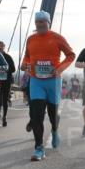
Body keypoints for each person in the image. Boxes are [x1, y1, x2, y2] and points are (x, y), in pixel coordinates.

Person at [21, 11, 75, 161]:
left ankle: (55, 130)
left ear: (48, 23)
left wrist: (59, 69)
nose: (40, 25)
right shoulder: (31, 39)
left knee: (52, 114)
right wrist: (25, 63)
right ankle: (39, 148)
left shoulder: (57, 38)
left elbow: (71, 55)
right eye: (38, 23)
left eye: (43, 22)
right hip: (36, 81)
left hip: (53, 81)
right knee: (36, 115)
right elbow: (27, 55)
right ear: (35, 24)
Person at [0, 41, 16, 126]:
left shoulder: (8, 57)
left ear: (4, 47)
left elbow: (13, 69)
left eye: (2, 46)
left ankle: (4, 116)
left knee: (5, 100)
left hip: (6, 81)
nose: (0, 47)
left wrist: (4, 69)